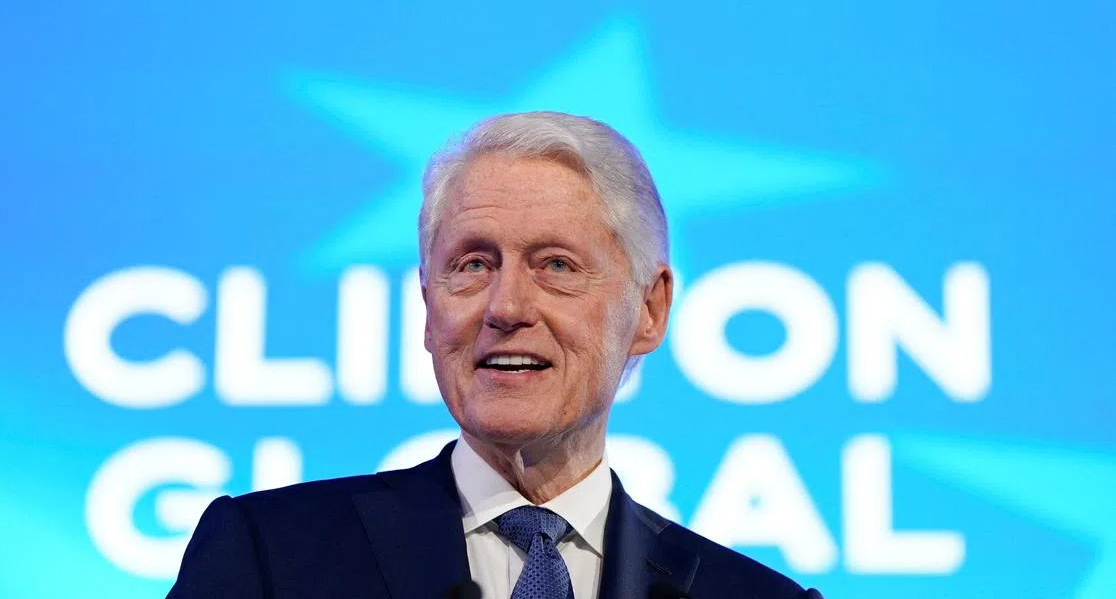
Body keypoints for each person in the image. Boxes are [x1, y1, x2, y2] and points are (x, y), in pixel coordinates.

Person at [167, 112, 822, 599]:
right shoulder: (268, 557)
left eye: (556, 265)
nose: (506, 306)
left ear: (649, 310)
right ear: (429, 305)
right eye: (473, 264)